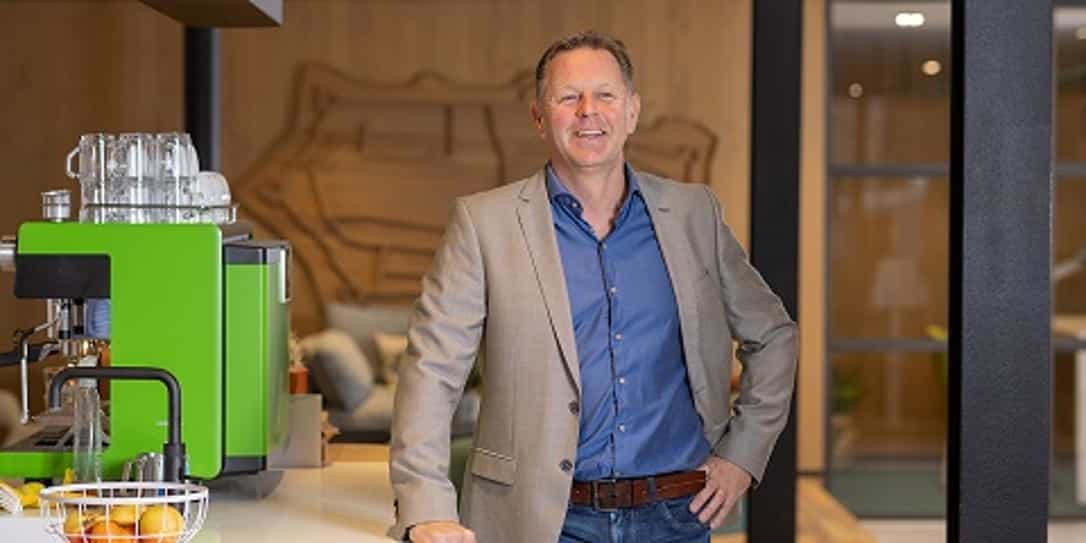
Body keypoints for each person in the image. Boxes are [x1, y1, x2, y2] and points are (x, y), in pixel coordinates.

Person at [388, 30, 797, 543]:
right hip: (542, 521)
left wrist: (742, 453)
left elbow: (774, 335)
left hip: (676, 516)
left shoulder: (694, 214)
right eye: (568, 97)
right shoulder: (484, 224)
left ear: (632, 112)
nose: (588, 111)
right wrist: (426, 506)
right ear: (539, 117)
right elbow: (432, 369)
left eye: (605, 95)